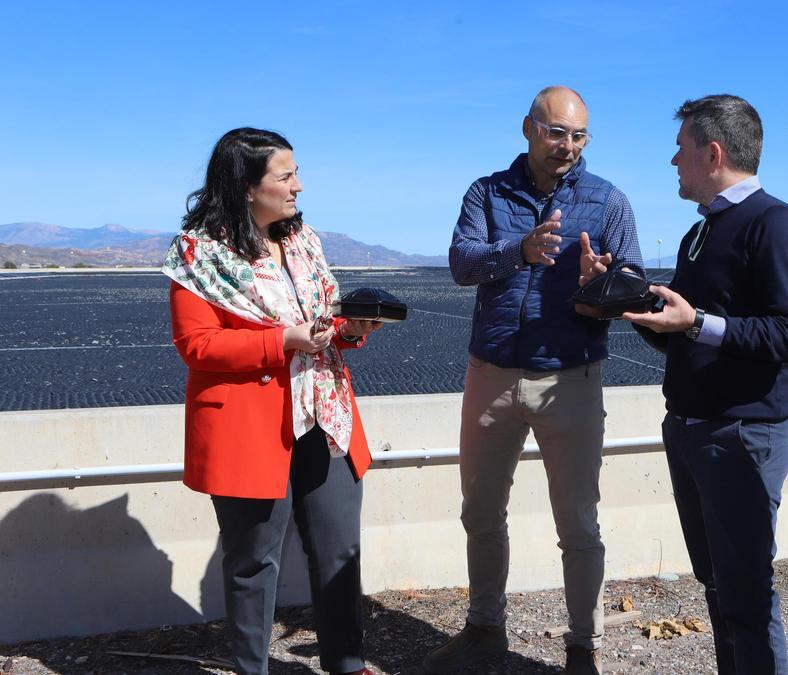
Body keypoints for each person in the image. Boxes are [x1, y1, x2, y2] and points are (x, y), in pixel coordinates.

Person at [424, 86, 643, 675]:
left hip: (570, 378)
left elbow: (633, 285)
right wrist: (518, 251)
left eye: (578, 136)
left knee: (578, 522)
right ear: (528, 129)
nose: (567, 147)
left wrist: (603, 282)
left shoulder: (608, 200)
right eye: (556, 133)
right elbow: (461, 263)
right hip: (491, 375)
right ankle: (484, 629)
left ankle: (582, 649)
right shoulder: (487, 192)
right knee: (481, 513)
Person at [162, 128, 381, 675]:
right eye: (285, 176)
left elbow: (323, 320)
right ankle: (250, 668)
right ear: (245, 186)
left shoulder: (304, 240)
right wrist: (282, 341)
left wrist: (351, 329)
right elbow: (198, 345)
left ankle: (347, 665)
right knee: (254, 562)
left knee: (337, 552)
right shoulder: (198, 253)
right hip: (248, 427)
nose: (298, 187)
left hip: (322, 414)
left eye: (296, 173)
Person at [611, 94, 788, 674]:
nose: (673, 162)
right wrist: (622, 298)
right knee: (718, 586)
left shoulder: (774, 223)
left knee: (746, 591)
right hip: (693, 429)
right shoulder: (700, 233)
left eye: (681, 150)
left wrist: (697, 322)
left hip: (742, 433)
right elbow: (682, 335)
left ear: (713, 152)